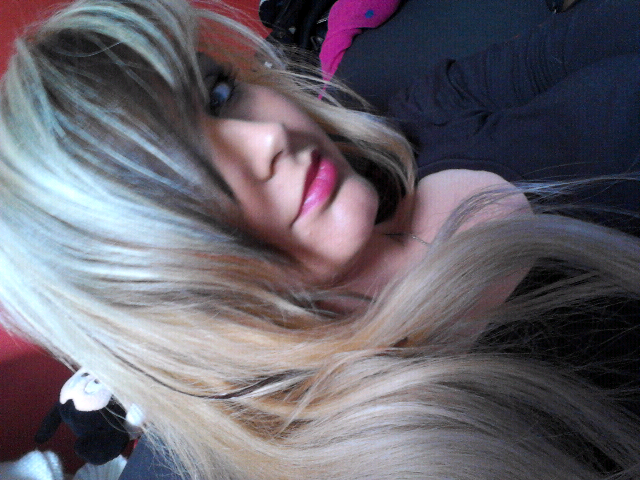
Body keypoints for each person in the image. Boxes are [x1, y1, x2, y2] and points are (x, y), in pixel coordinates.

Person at [0, 0, 639, 479]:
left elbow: (586, 36)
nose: (266, 139)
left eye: (218, 94)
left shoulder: (420, 120)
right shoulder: (424, 444)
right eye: (180, 188)